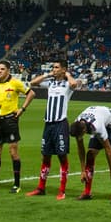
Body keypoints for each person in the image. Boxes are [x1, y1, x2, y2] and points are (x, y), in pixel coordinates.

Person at [27, 60, 84, 199]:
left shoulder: (67, 84)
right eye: (53, 67)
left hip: (60, 124)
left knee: (62, 156)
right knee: (45, 156)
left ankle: (62, 190)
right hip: (48, 124)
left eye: (57, 67)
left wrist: (67, 74)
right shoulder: (50, 82)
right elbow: (32, 83)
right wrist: (48, 75)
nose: (54, 69)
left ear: (63, 69)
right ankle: (41, 188)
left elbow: (74, 84)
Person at [0, 60, 34, 192]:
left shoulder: (15, 83)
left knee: (13, 153)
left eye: (2, 69)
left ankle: (17, 184)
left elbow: (31, 93)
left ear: (8, 70)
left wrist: (22, 109)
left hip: (10, 121)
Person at [72, 104, 111, 202]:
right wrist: (83, 170)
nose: (79, 138)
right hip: (99, 118)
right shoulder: (77, 125)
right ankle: (87, 192)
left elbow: (107, 149)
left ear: (84, 130)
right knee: (90, 154)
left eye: (80, 136)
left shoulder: (97, 127)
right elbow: (81, 148)